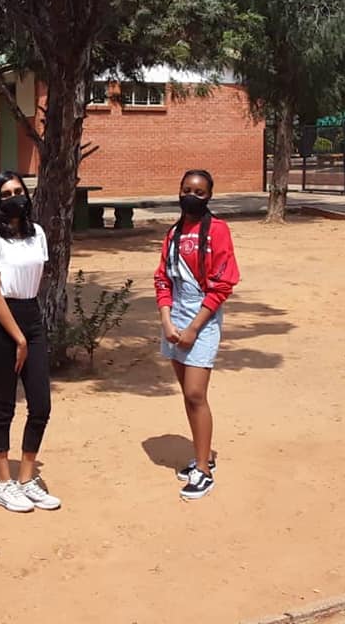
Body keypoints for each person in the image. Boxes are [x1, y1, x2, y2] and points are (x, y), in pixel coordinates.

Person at [154, 170, 239, 500]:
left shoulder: (218, 230)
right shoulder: (173, 233)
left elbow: (223, 284)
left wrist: (193, 328)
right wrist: (167, 321)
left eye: (199, 192)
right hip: (175, 317)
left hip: (202, 319)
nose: (191, 196)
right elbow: (162, 278)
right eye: (187, 189)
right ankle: (202, 454)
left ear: (209, 197)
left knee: (195, 393)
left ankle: (203, 470)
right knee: (187, 394)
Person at [0, 171, 60, 513]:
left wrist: (29, 334)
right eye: (6, 194)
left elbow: (36, 279)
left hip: (31, 316)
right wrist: (18, 339)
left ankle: (26, 479)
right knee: (5, 406)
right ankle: (3, 483)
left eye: (18, 191)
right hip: (3, 323)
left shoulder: (37, 233)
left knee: (41, 405)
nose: (15, 197)